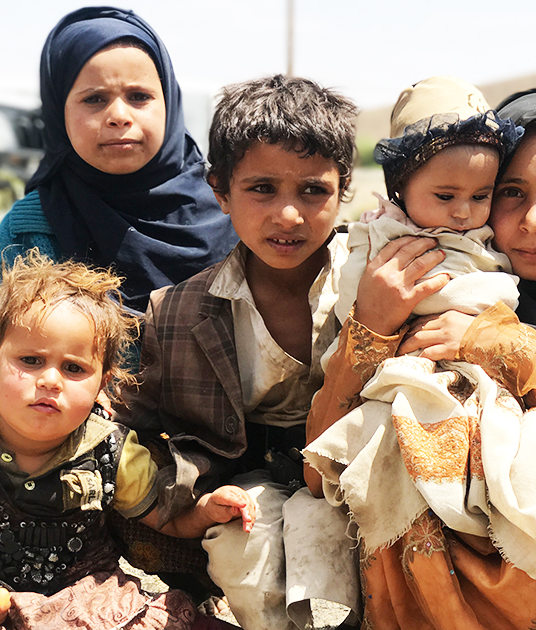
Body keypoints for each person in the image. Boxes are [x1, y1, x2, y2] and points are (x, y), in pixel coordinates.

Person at [305, 88, 536, 630]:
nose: (533, 220)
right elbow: (318, 472)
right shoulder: (413, 287)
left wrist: (506, 347)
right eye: (511, 192)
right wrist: (372, 326)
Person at [121, 75, 359, 630]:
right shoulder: (177, 313)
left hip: (361, 478)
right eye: (261, 189)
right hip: (252, 484)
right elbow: (131, 422)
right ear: (220, 191)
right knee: (244, 560)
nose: (288, 216)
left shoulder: (371, 281)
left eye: (313, 190)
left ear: (342, 188)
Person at [0, 252, 255, 630]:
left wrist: (207, 510)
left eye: (74, 368)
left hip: (92, 605)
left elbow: (167, 522)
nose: (50, 380)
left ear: (103, 385)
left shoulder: (110, 448)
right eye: (30, 360)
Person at [0, 6, 238, 317]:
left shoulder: (234, 208)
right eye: (94, 99)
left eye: (139, 96)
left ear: (170, 103)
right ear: (57, 113)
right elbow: (13, 358)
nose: (119, 117)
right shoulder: (31, 229)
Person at [320, 75, 522, 369]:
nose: (463, 212)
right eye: (444, 196)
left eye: (480, 196)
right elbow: (352, 301)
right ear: (401, 186)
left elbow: (503, 291)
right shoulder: (381, 233)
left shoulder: (490, 236)